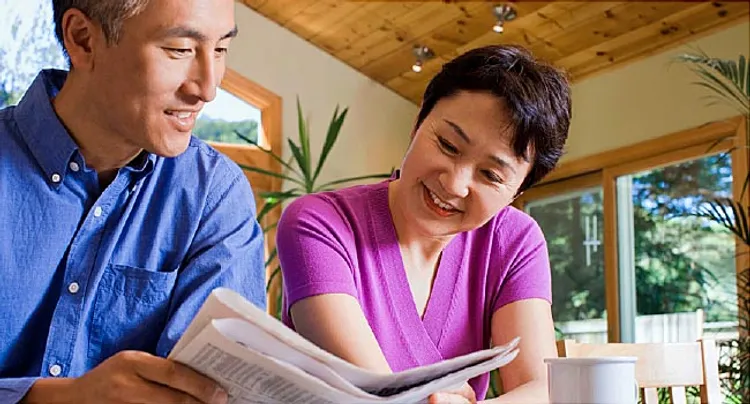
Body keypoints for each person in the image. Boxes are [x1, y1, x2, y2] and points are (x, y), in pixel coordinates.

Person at [0, 0, 266, 402]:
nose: (207, 88)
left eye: (221, 50)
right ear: (83, 39)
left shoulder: (215, 195)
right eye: (179, 50)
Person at [276, 44, 571, 403]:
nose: (454, 183)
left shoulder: (515, 241)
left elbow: (544, 389)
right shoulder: (319, 223)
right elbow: (378, 395)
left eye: (491, 174)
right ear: (419, 122)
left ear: (517, 191)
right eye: (447, 145)